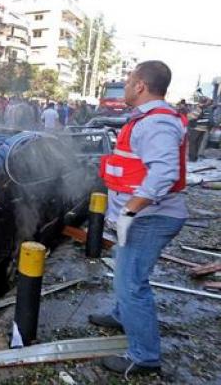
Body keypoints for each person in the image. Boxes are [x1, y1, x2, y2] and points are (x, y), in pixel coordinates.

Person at [93, 61, 188, 377]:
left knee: (131, 283)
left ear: (141, 86)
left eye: (129, 79)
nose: (126, 84)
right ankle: (123, 315)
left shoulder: (155, 124)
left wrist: (130, 211)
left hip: (149, 218)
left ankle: (145, 357)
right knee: (125, 270)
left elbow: (164, 172)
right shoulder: (148, 119)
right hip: (142, 217)